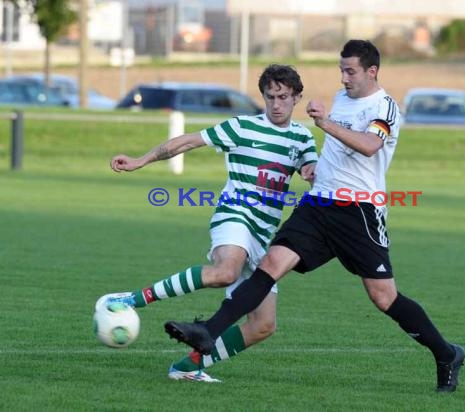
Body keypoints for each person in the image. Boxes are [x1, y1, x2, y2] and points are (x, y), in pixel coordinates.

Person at [164, 40, 465, 392]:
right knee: (270, 265)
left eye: (350, 71)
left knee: (383, 297)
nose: (344, 78)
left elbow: (370, 146)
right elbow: (337, 155)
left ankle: (446, 354)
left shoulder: (385, 107)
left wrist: (324, 123)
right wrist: (314, 168)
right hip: (318, 204)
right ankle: (208, 331)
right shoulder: (343, 99)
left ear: (372, 71)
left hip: (359, 212)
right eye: (341, 71)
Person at [98, 64, 318, 382]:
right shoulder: (242, 127)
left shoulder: (302, 137)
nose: (276, 104)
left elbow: (312, 169)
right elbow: (187, 142)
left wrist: (315, 174)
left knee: (263, 325)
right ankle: (132, 299)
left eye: (283, 97)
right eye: (270, 96)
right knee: (226, 270)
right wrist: (141, 160)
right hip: (235, 216)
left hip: (265, 235)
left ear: (296, 97)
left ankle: (187, 367)